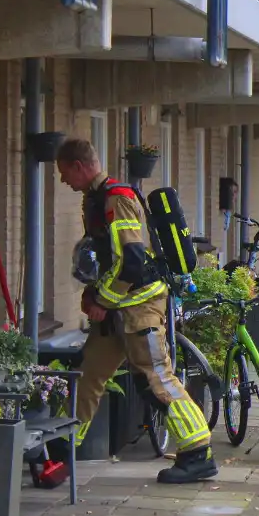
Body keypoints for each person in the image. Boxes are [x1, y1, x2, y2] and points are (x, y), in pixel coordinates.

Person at [56, 138, 217, 484]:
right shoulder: (96, 199)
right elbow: (103, 258)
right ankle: (62, 451)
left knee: (157, 378)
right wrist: (92, 294)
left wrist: (101, 301)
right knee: (88, 376)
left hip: (138, 306)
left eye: (64, 172)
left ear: (79, 166)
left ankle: (197, 452)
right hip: (117, 311)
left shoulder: (118, 199)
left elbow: (130, 262)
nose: (62, 181)